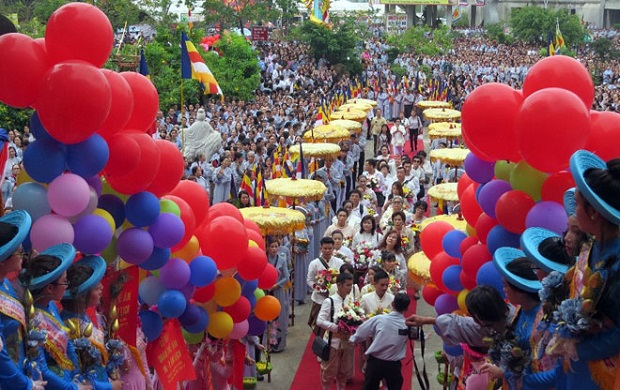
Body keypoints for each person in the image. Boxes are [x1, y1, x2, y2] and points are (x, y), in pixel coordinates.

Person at [541, 151, 620, 389]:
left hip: (602, 373)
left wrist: (576, 348)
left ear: (594, 212)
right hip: (576, 366)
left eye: (577, 204)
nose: (573, 212)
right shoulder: (593, 244)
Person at [21, 243, 100, 390]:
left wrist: (78, 377)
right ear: (50, 288)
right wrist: (74, 388)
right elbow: (42, 370)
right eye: (64, 281)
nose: (67, 285)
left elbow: (68, 345)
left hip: (69, 379)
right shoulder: (34, 318)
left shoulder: (51, 306)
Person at [0, 211, 48, 390]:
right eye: (19, 252)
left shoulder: (6, 285)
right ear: (3, 260)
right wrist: (26, 384)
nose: (23, 256)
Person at [61, 255, 123, 390]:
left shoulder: (83, 317)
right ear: (82, 295)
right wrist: (108, 386)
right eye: (96, 288)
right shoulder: (70, 325)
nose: (101, 287)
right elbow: (76, 375)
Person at [350, 293, 411, 390]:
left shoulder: (379, 319)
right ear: (407, 308)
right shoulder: (408, 325)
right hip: (393, 365)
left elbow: (361, 332)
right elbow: (418, 336)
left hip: (375, 363)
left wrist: (353, 339)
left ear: (392, 304)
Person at [316, 272, 355, 390]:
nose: (349, 288)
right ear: (339, 285)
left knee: (343, 372)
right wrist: (337, 328)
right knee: (328, 372)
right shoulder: (330, 301)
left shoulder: (349, 300)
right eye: (347, 285)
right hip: (332, 342)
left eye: (351, 285)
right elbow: (320, 321)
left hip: (346, 342)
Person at [307, 237, 344, 336]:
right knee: (318, 325)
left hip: (335, 298)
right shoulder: (314, 263)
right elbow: (310, 280)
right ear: (321, 249)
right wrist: (318, 288)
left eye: (330, 248)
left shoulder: (339, 262)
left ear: (333, 249)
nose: (327, 251)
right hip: (319, 298)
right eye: (325, 248)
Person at [265, 236, 290, 353]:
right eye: (272, 247)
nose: (274, 249)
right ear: (267, 248)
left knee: (279, 316)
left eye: (276, 246)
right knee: (267, 317)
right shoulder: (264, 259)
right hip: (265, 291)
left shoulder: (282, 259)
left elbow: (286, 277)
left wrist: (276, 285)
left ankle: (279, 344)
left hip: (278, 290)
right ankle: (267, 344)